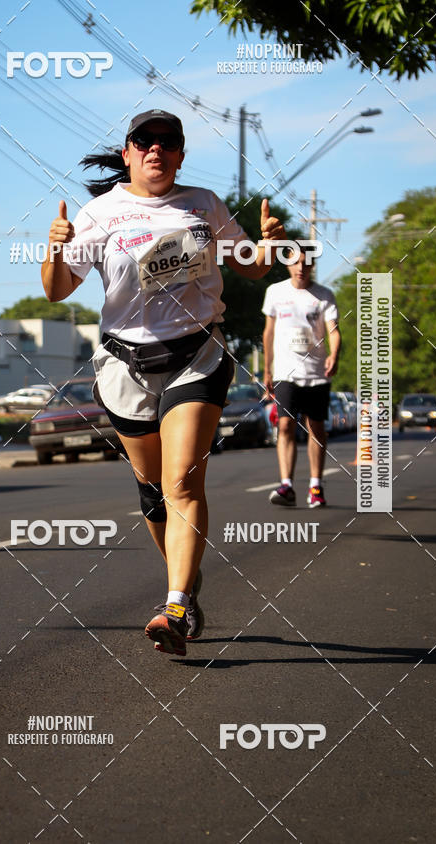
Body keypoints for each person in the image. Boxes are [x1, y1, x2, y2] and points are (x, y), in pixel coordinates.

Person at [42, 108, 286, 656]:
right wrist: (55, 247)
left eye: (167, 141)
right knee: (153, 492)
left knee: (182, 483)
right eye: (144, 140)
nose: (156, 148)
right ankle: (187, 581)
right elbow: (57, 290)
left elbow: (250, 267)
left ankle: (174, 605)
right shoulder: (100, 213)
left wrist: (268, 245)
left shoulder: (204, 205)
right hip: (125, 364)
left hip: (196, 354)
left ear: (180, 154)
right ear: (127, 152)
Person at [262, 245, 341, 507]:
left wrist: (334, 354)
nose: (301, 267)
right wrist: (267, 369)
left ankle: (315, 486)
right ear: (287, 264)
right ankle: (286, 485)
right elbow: (268, 333)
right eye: (296, 262)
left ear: (312, 266)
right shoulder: (275, 292)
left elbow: (333, 330)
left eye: (306, 263)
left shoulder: (324, 295)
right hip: (286, 372)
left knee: (315, 427)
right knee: (285, 425)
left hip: (317, 373)